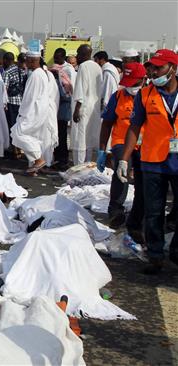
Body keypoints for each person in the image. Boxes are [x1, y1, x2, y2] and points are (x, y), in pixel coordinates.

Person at [118, 49, 178, 274]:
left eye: (159, 68)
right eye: (151, 67)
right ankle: (155, 255)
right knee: (153, 211)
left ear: (172, 69)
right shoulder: (145, 94)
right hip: (152, 161)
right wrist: (124, 159)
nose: (153, 71)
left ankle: (175, 250)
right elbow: (134, 127)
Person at [98, 62, 146, 234]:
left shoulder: (150, 97)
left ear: (143, 79)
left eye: (134, 83)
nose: (129, 87)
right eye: (127, 83)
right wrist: (102, 150)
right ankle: (115, 211)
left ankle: (139, 214)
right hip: (121, 142)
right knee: (121, 171)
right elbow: (107, 124)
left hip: (146, 144)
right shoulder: (118, 96)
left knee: (144, 179)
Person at [10, 51, 59, 175]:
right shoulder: (42, 73)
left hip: (33, 112)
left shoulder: (36, 75)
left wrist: (22, 113)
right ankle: (34, 166)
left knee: (17, 133)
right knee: (33, 138)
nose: (25, 62)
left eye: (27, 60)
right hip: (41, 111)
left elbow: (29, 98)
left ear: (32, 61)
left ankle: (39, 159)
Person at [71, 44, 103, 165]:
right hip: (94, 108)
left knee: (80, 139)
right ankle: (87, 166)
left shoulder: (83, 66)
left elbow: (81, 89)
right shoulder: (97, 67)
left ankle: (78, 167)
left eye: (78, 54)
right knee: (88, 139)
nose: (77, 57)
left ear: (84, 54)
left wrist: (77, 110)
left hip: (83, 107)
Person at [50, 48, 76, 169]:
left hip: (64, 106)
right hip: (56, 105)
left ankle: (63, 159)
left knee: (62, 133)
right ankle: (57, 156)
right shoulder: (55, 68)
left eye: (58, 58)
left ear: (63, 57)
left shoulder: (68, 70)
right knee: (56, 133)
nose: (56, 60)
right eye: (55, 58)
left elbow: (69, 89)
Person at [2, 52, 27, 135]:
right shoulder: (22, 71)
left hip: (11, 103)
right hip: (21, 102)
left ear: (5, 60)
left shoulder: (7, 72)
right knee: (19, 125)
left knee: (11, 126)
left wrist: (4, 104)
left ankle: (12, 146)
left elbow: (4, 90)